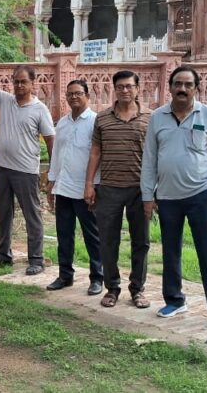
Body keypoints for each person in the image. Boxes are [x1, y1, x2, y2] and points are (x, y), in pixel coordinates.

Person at [141, 66, 207, 329]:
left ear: (196, 88)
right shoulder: (157, 117)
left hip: (201, 196)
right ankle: (175, 299)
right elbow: (149, 159)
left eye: (188, 84)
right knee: (170, 251)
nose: (182, 89)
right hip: (167, 197)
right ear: (169, 87)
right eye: (177, 84)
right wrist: (147, 196)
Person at [85, 70, 151, 309]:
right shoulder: (102, 118)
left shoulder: (150, 118)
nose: (125, 90)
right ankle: (112, 288)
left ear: (137, 89)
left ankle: (137, 289)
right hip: (109, 189)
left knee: (141, 241)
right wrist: (89, 184)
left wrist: (153, 191)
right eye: (120, 86)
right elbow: (95, 152)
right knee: (108, 241)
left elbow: (155, 154)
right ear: (114, 89)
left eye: (129, 86)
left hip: (139, 190)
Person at [0, 65, 55, 276]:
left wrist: (52, 169)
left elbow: (50, 139)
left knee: (31, 215)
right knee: (3, 213)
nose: (19, 85)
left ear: (32, 83)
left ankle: (36, 259)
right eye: (16, 81)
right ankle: (2, 254)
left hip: (26, 171)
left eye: (23, 81)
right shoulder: (5, 100)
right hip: (3, 168)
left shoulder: (39, 109)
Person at [45, 79, 104, 296]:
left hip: (86, 190)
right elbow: (57, 155)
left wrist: (94, 185)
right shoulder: (63, 123)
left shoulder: (96, 122)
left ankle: (97, 278)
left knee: (92, 235)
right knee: (64, 234)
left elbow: (99, 155)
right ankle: (65, 275)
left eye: (78, 93)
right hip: (63, 188)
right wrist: (52, 182)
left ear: (88, 96)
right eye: (70, 94)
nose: (73, 97)